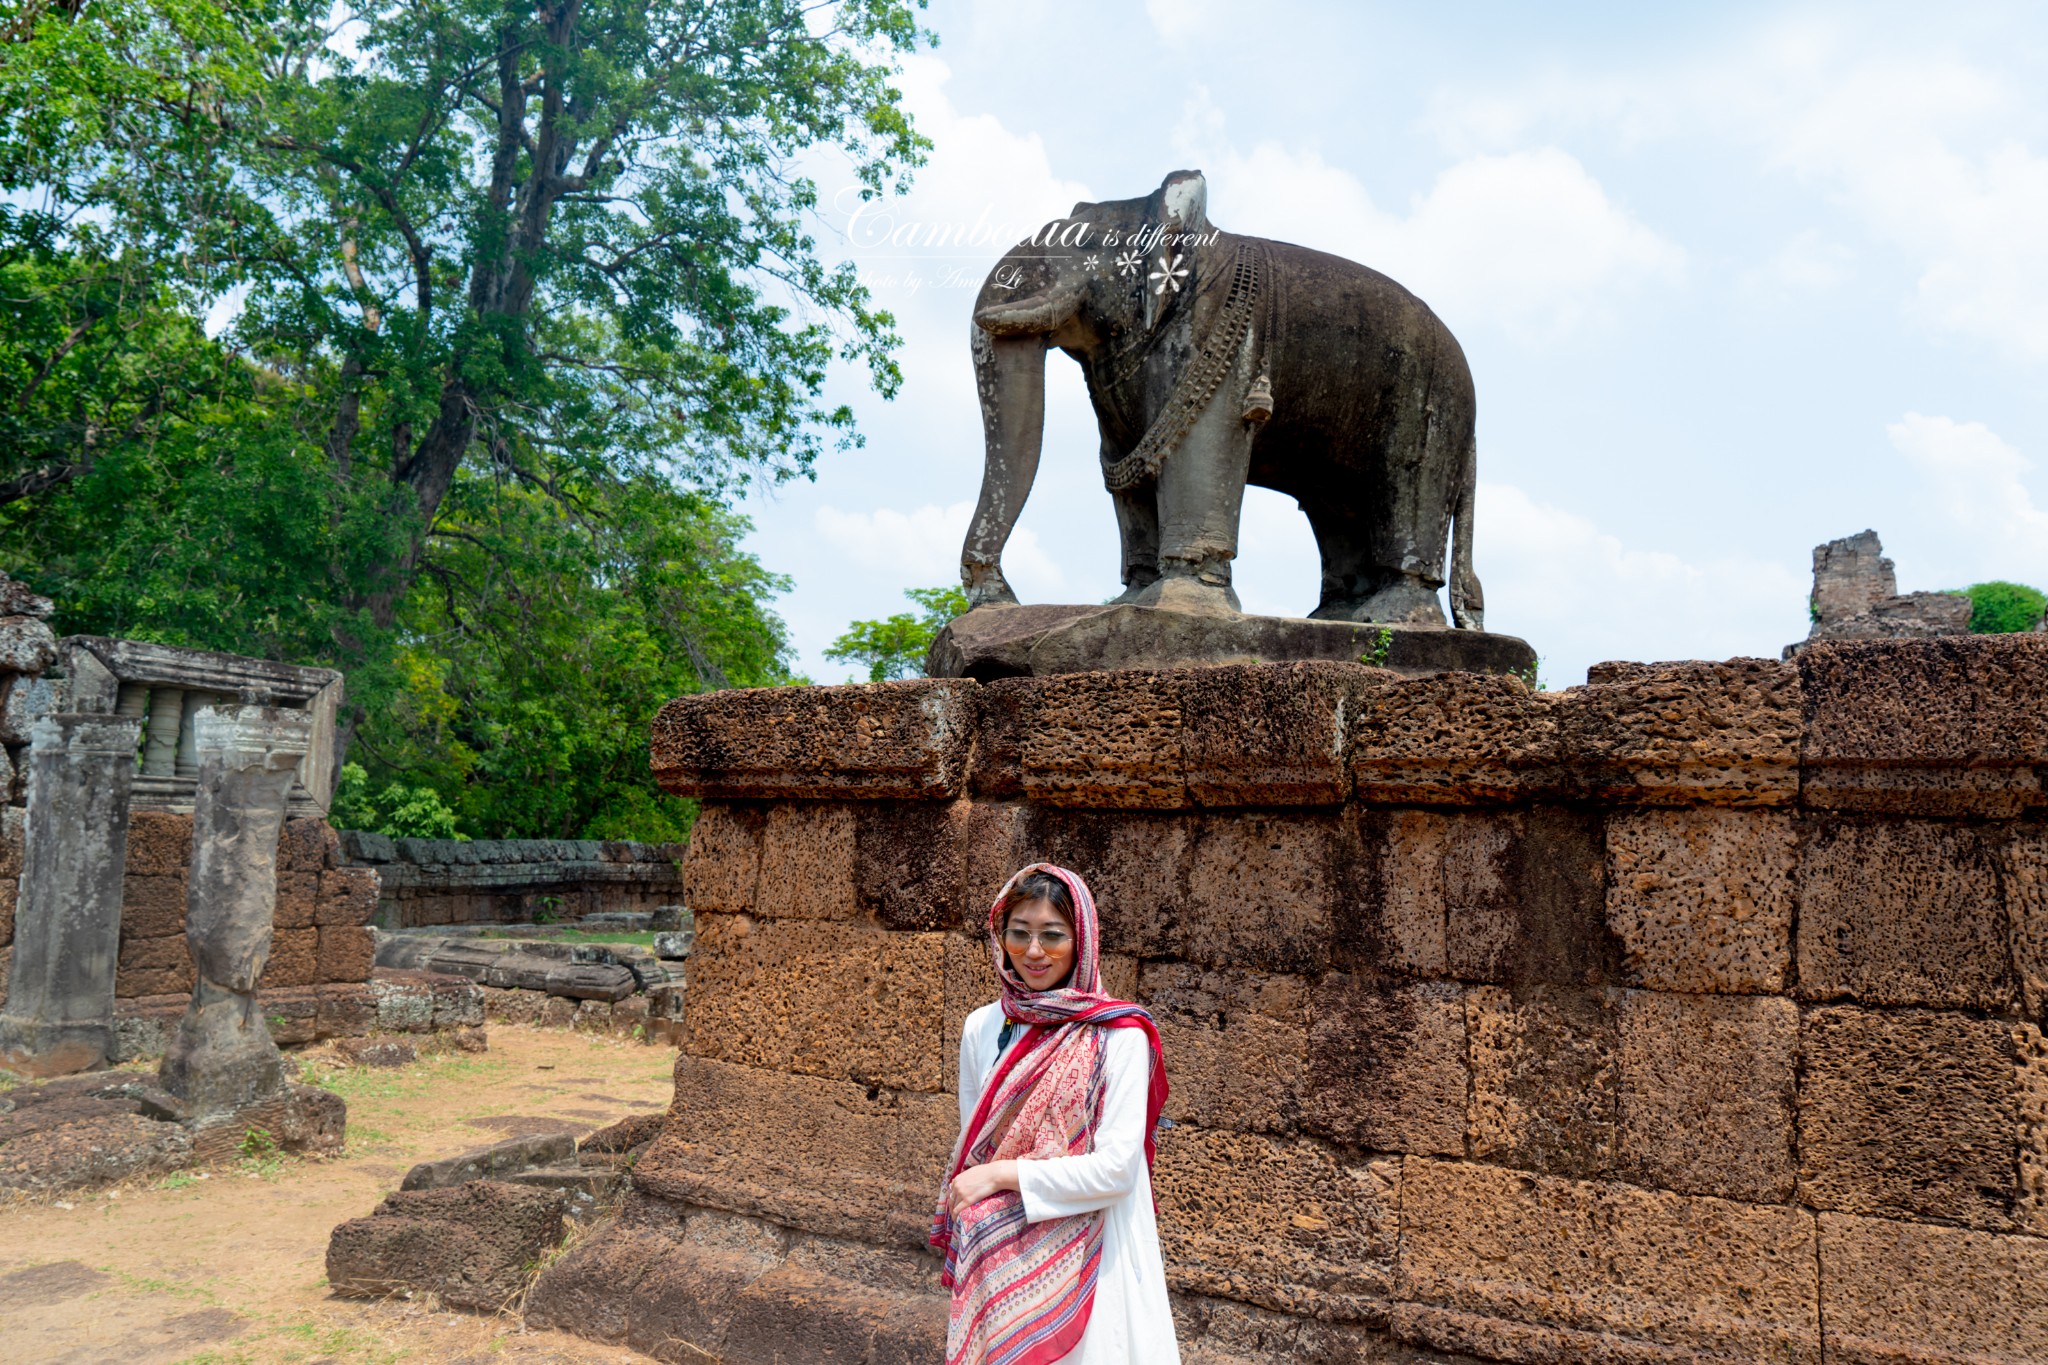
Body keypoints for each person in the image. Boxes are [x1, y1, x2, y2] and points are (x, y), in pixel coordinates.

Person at [931, 863, 1179, 1365]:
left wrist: (1004, 1175)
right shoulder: (983, 1027)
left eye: (1053, 935)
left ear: (1082, 937)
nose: (1034, 952)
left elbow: (1116, 1171)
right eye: (1019, 934)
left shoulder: (1119, 1036)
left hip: (1095, 1253)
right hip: (1007, 1261)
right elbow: (977, 1142)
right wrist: (992, 1179)